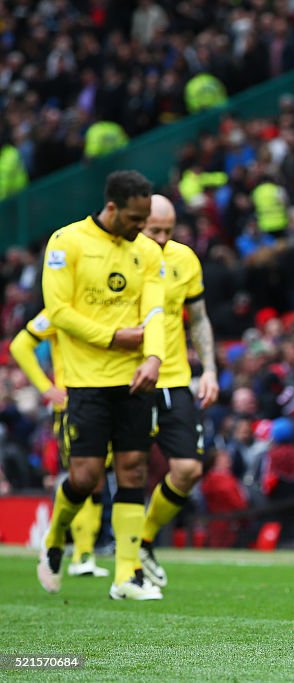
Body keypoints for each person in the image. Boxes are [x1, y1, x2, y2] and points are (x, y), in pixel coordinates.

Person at [37, 170, 166, 600]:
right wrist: (112, 336)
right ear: (111, 208)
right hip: (86, 380)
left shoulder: (146, 251)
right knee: (86, 475)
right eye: (134, 217)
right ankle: (56, 536)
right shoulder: (67, 242)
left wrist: (153, 357)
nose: (141, 226)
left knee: (133, 469)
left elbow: (156, 312)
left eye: (145, 218)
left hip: (133, 378)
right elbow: (58, 311)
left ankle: (126, 576)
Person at [137, 195, 220, 589]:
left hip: (172, 376)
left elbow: (199, 319)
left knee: (187, 469)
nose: (161, 238)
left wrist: (209, 370)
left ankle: (143, 540)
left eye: (168, 231)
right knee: (103, 473)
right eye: (154, 230)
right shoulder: (122, 259)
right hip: (125, 377)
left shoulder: (184, 258)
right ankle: (85, 549)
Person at [10, 309, 110, 578]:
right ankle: (78, 551)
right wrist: (46, 388)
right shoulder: (60, 308)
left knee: (98, 479)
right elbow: (20, 345)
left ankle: (83, 552)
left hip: (107, 402)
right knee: (83, 476)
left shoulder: (105, 304)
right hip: (73, 404)